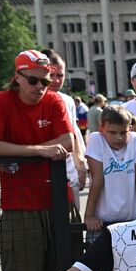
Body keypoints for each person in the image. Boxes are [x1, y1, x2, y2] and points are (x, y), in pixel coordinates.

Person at [0, 49, 75, 271]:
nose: (40, 87)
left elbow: (68, 142)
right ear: (17, 77)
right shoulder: (1, 101)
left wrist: (16, 150)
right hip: (19, 204)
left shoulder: (54, 101)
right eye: (33, 80)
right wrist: (41, 151)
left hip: (56, 200)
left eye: (45, 80)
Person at [84, 105, 136, 271]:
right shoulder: (96, 140)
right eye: (112, 132)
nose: (119, 138)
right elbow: (97, 179)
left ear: (130, 129)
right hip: (103, 220)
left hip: (132, 219)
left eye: (123, 132)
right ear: (102, 129)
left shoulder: (135, 141)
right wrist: (89, 215)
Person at [45, 49, 90, 195]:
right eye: (51, 75)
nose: (56, 80)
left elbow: (74, 133)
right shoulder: (30, 100)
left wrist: (81, 166)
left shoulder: (68, 101)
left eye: (60, 75)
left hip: (69, 175)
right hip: (43, 176)